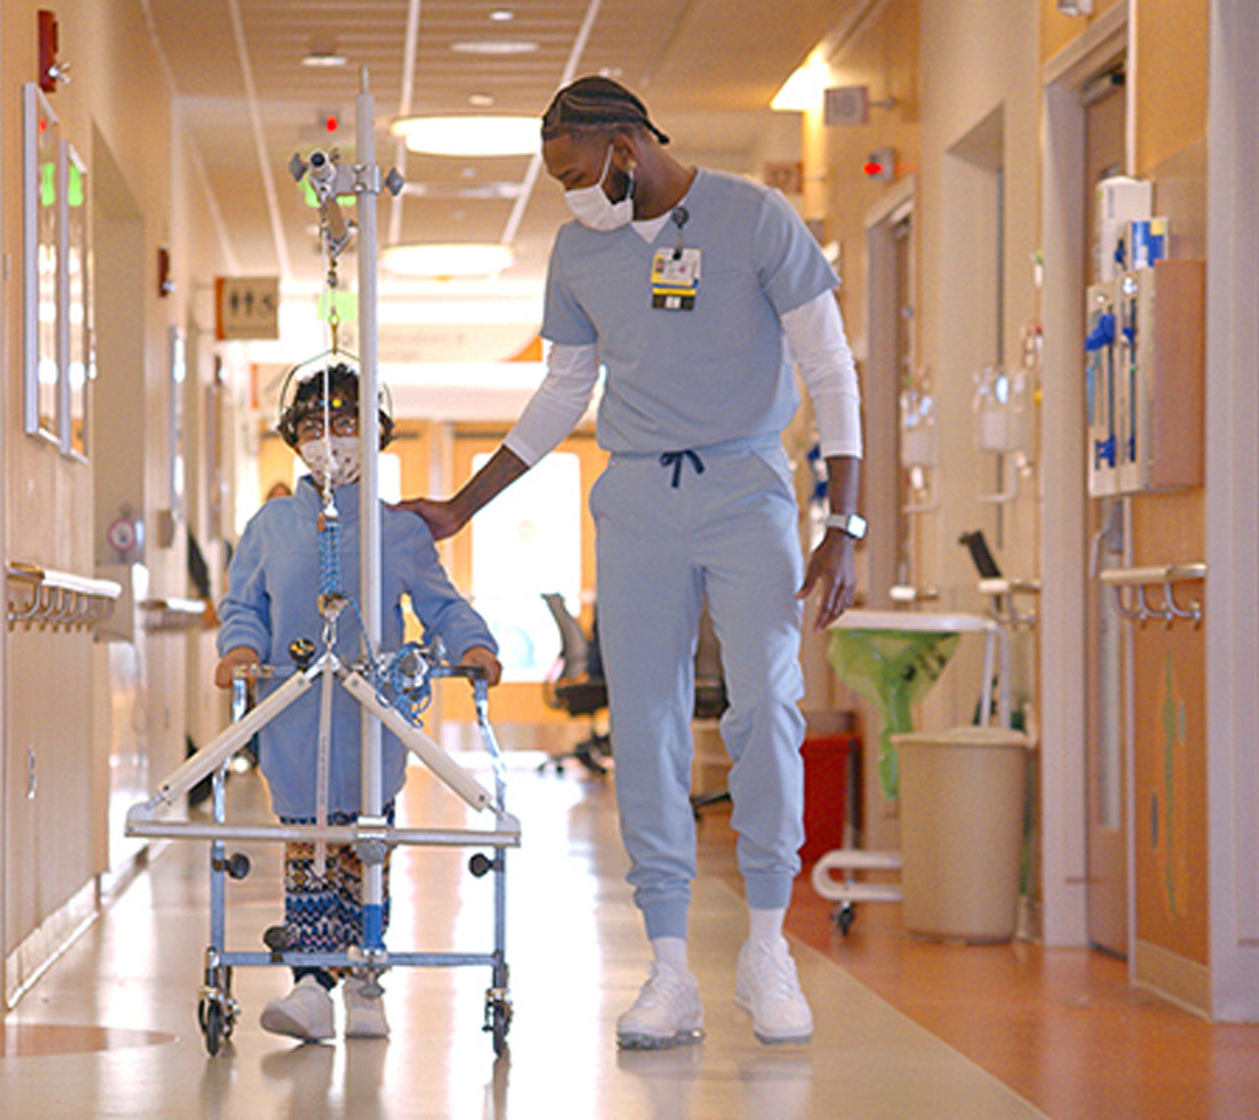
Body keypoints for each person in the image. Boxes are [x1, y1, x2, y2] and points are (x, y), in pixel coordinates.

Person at [399, 76, 864, 1050]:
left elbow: (829, 363)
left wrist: (844, 521)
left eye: (575, 172)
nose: (570, 193)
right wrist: (459, 506)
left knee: (766, 701)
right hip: (640, 497)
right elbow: (562, 390)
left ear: (625, 144)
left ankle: (769, 946)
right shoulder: (580, 249)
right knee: (644, 718)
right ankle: (668, 968)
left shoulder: (756, 218)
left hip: (747, 490)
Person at [217, 362, 502, 1042]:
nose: (330, 440)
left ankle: (365, 980)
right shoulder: (271, 525)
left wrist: (474, 646)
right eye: (315, 427)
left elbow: (442, 606)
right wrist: (237, 651)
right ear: (293, 439)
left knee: (366, 846)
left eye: (345, 426)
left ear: (374, 437)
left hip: (371, 719)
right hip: (291, 714)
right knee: (309, 844)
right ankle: (313, 984)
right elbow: (243, 607)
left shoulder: (398, 530)